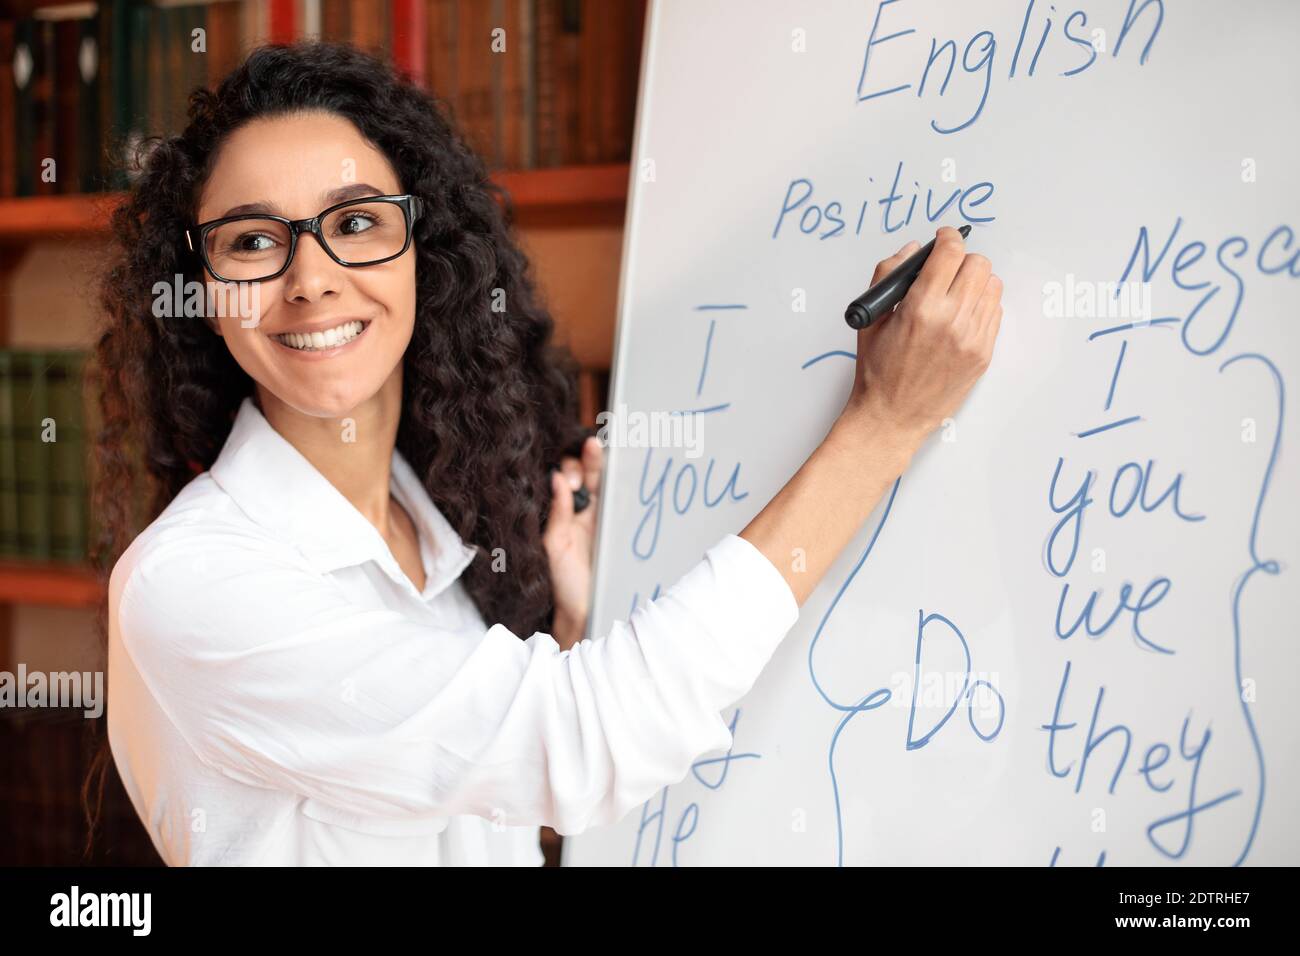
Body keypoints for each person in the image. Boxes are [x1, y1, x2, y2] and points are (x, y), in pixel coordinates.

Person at [86, 41, 1002, 866]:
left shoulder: (435, 522)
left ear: (423, 249)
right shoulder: (190, 584)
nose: (312, 277)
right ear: (200, 290)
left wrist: (569, 633)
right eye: (252, 241)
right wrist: (886, 424)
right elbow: (586, 742)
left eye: (357, 220)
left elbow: (495, 802)